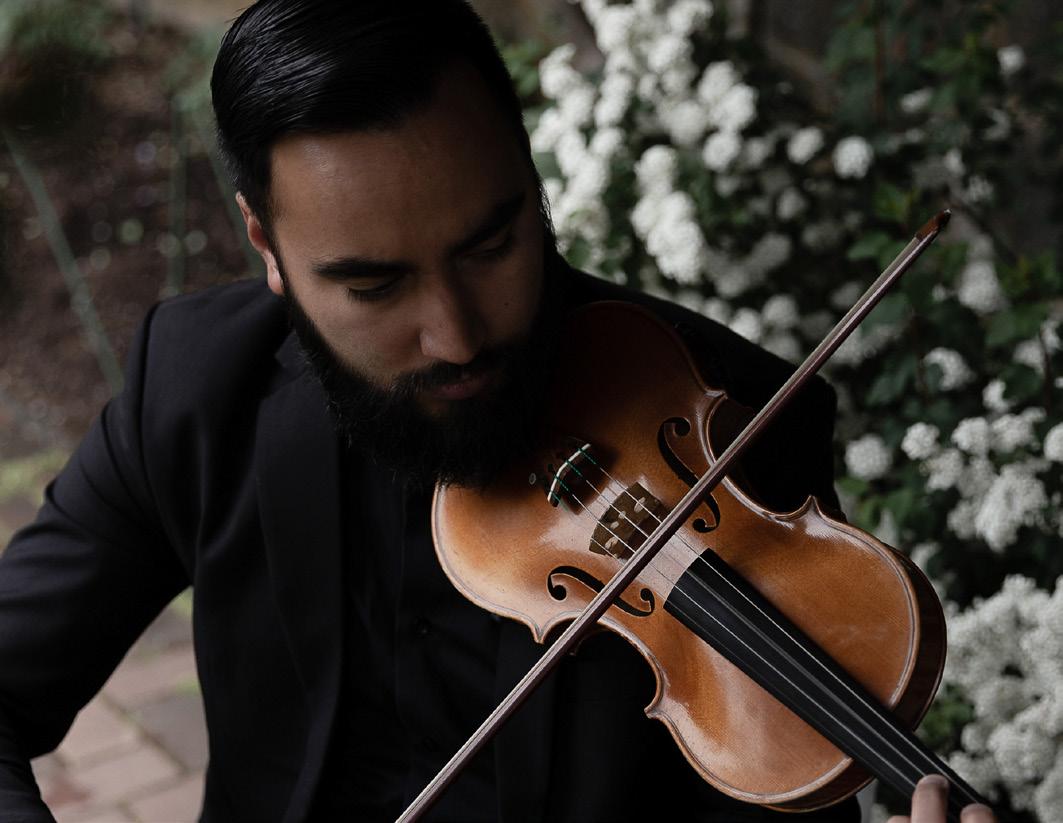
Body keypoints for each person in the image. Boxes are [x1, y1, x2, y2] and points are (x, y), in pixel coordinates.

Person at [0, 1, 996, 821]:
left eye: (490, 245)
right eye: (375, 285)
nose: (455, 335)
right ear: (267, 246)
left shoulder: (731, 419)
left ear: (529, 177)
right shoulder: (195, 383)